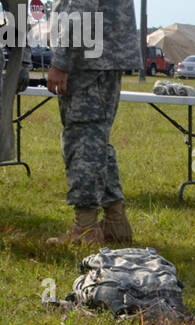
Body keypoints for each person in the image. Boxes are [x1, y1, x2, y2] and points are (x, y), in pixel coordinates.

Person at [44, 0, 139, 246]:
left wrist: (62, 61)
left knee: (83, 141)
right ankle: (115, 223)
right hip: (100, 58)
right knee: (97, 142)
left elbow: (79, 13)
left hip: (87, 62)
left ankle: (85, 229)